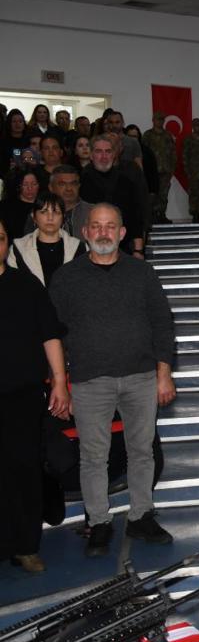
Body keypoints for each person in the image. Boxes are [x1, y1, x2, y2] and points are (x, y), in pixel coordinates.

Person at [49, 203, 177, 557]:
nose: (103, 232)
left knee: (142, 451)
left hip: (141, 377)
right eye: (96, 226)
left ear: (121, 233)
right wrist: (59, 382)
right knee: (93, 457)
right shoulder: (66, 278)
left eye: (110, 226)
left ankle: (141, 515)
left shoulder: (142, 272)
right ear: (85, 232)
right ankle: (99, 522)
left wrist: (164, 373)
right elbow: (52, 334)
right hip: (89, 381)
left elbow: (162, 323)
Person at [0, 221, 70, 573]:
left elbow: (50, 335)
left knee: (25, 470)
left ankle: (26, 546)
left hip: (22, 397)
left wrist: (60, 382)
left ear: (7, 243)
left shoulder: (26, 285)